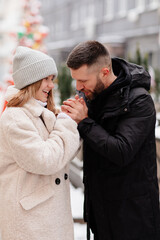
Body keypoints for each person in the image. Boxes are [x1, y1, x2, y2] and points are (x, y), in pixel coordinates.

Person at [62, 40, 160, 240]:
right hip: (101, 212)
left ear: (105, 72)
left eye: (83, 80)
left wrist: (85, 121)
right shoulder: (93, 95)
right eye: (75, 81)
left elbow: (121, 151)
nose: (78, 87)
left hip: (133, 217)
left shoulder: (139, 101)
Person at [0, 46, 80, 240]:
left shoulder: (43, 112)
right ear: (31, 81)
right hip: (30, 222)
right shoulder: (15, 118)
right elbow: (45, 160)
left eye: (52, 79)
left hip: (43, 216)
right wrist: (67, 123)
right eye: (45, 79)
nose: (51, 85)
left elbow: (64, 152)